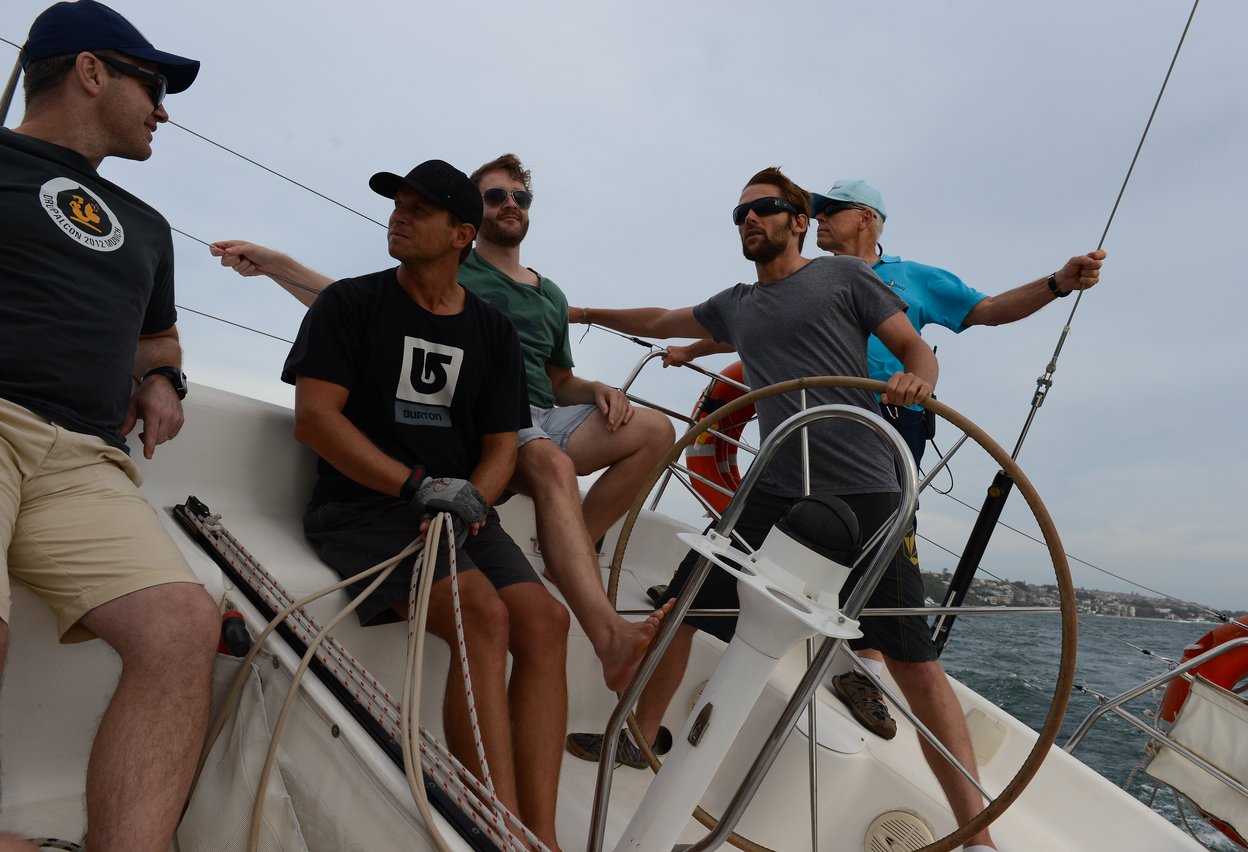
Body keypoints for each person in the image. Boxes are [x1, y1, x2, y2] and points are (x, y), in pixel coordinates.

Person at [567, 167, 1003, 851]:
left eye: (765, 208)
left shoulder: (846, 278)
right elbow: (659, 319)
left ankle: (978, 837)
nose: (750, 219)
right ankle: (639, 735)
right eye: (740, 212)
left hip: (867, 487)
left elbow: (914, 345)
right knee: (683, 605)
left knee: (914, 662)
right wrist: (586, 314)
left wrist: (919, 378)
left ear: (798, 222)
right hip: (773, 487)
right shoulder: (737, 305)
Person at [666, 178, 1105, 747]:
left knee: (884, 553)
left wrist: (1057, 282)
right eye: (814, 212)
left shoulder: (910, 277)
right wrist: (691, 349)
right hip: (804, 428)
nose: (818, 219)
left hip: (890, 423)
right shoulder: (801, 280)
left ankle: (866, 668)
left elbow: (987, 310)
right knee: (771, 521)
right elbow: (749, 328)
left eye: (832, 210)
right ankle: (710, 603)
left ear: (868, 217)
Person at [212, 153, 674, 693]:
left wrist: (595, 390)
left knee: (656, 430)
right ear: (468, 224)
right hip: (494, 420)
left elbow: (559, 378)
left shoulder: (550, 295)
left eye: (520, 197)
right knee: (549, 462)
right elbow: (361, 308)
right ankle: (606, 631)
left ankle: (570, 554)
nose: (510, 204)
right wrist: (277, 265)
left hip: (546, 413)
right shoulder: (450, 266)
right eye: (495, 196)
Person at [283, 158, 567, 850]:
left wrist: (470, 499)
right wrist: (417, 488)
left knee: (546, 621)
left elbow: (502, 446)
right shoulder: (350, 304)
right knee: (481, 612)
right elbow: (316, 420)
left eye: (418, 209)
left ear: (461, 234)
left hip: (459, 509)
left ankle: (544, 836)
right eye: (397, 205)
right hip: (363, 506)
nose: (398, 218)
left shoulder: (492, 331)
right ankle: (498, 831)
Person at [0, 3, 220, 851]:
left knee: (182, 628)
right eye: (153, 86)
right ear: (91, 72)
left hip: (87, 458)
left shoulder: (149, 227)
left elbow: (157, 338)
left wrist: (162, 377)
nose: (163, 111)